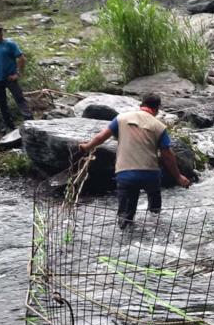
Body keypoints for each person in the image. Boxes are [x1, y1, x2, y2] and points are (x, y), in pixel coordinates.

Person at [79, 94, 191, 227]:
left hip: (125, 174)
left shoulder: (121, 118)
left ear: (141, 105)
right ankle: (156, 232)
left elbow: (101, 137)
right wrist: (178, 177)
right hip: (150, 175)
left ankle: (125, 230)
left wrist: (86, 147)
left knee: (126, 215)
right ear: (157, 110)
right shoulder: (159, 126)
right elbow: (167, 154)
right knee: (155, 214)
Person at [0, 22, 32, 131]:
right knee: (2, 104)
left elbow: (21, 58)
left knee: (19, 99)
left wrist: (17, 73)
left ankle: (30, 122)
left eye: (0, 30)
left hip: (10, 77)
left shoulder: (10, 44)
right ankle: (10, 126)